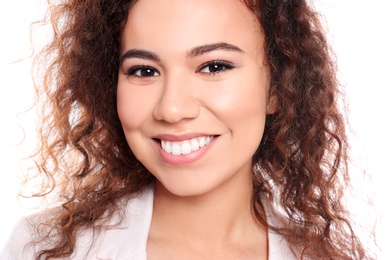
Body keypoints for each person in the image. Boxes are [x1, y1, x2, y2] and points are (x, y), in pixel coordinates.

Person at [1, 0, 370, 259]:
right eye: (144, 70)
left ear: (278, 86)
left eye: (214, 66)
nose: (172, 109)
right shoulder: (42, 249)